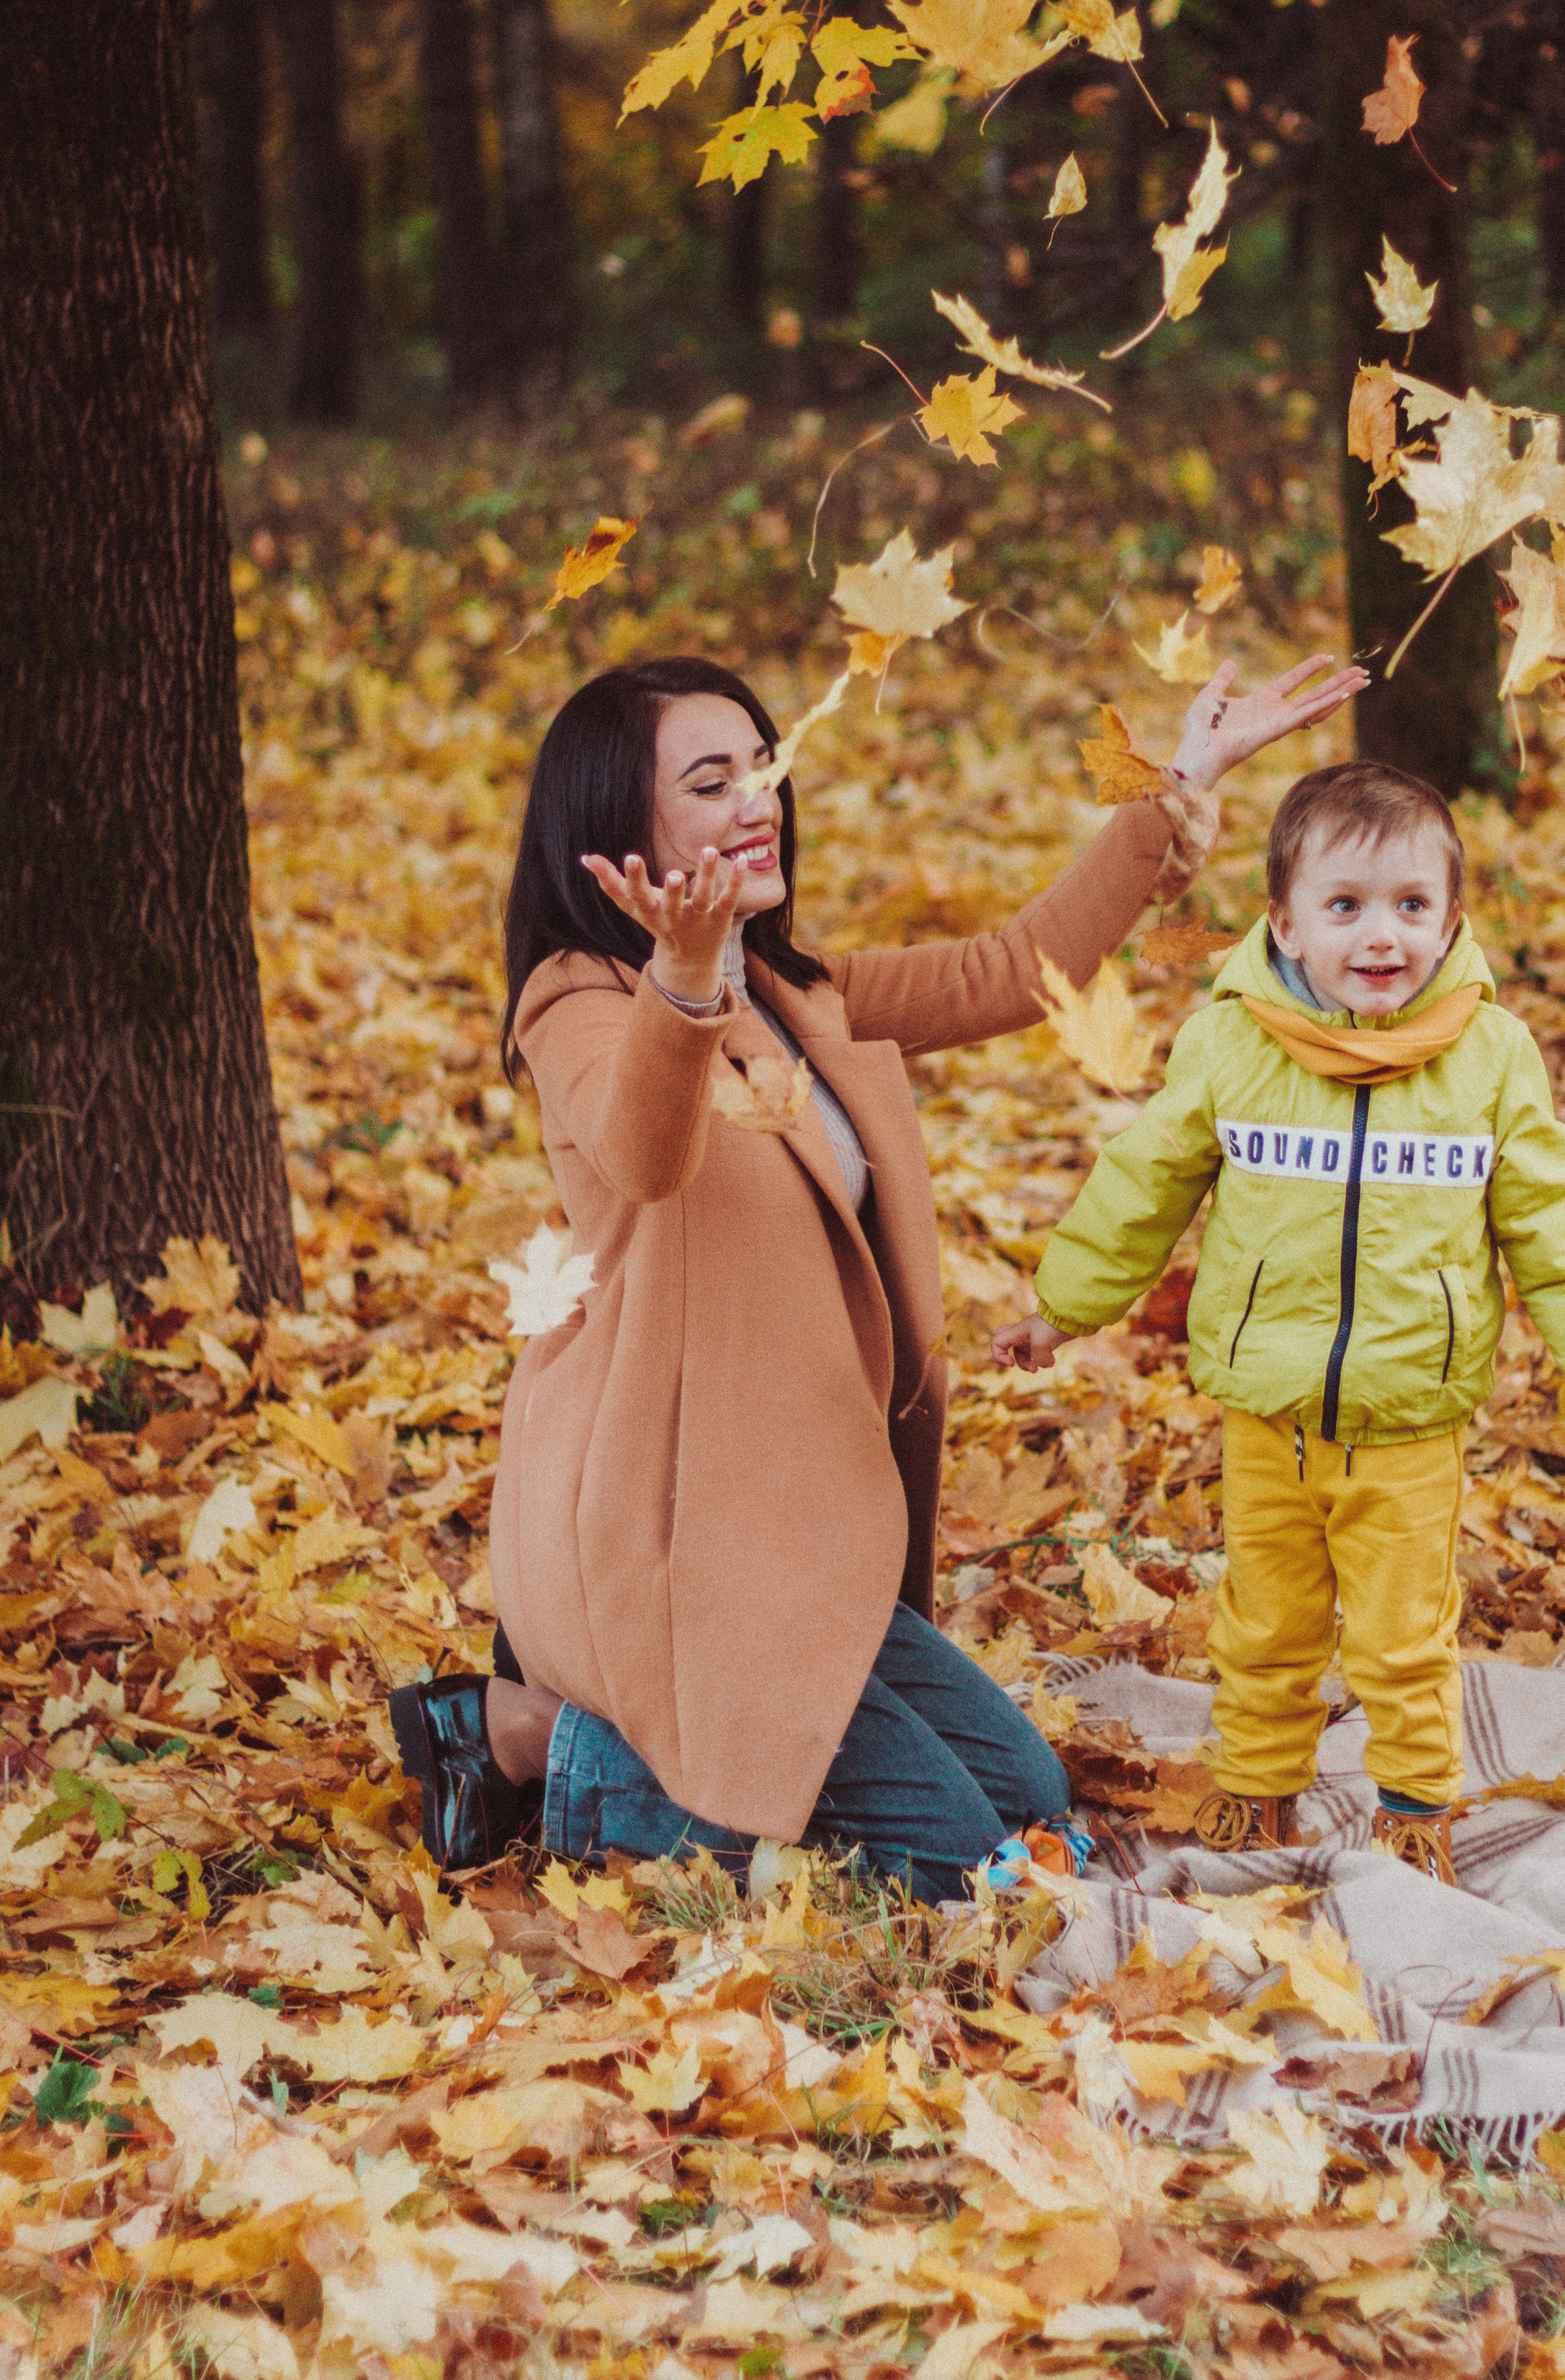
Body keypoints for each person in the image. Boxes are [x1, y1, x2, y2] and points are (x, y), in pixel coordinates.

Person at [390, 646, 1366, 1897]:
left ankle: (602, 1741)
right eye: (711, 780)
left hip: (794, 1536)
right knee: (954, 1860)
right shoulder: (577, 997)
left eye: (765, 767)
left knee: (1025, 1794)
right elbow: (643, 1147)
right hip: (672, 1525)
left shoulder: (801, 995)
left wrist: (1180, 781)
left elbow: (1016, 967)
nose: (760, 800)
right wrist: (683, 977)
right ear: (615, 830)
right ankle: (526, 1738)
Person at [992, 759, 1565, 1886]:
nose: (1380, 934)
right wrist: (1061, 1310)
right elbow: (1143, 1181)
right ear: (1286, 927)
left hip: (1408, 1424)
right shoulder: (1232, 1048)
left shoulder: (1489, 1061)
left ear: (1451, 923)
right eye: (1345, 907)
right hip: (1270, 1414)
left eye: (1410, 906)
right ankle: (1259, 1790)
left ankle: (1412, 1809)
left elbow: (1557, 1211)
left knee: (1404, 1636)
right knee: (1264, 1622)